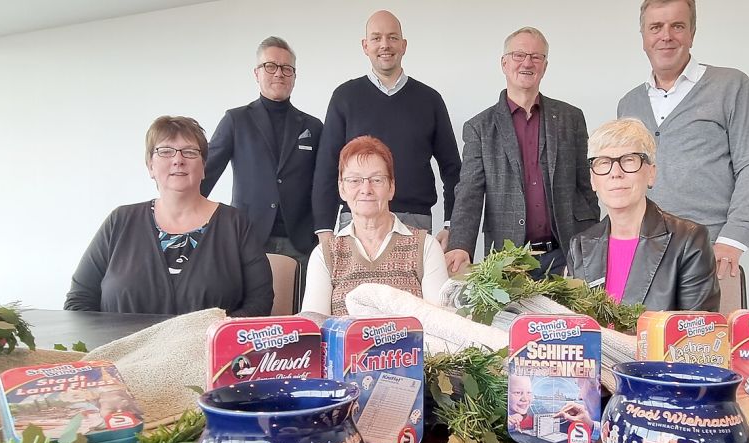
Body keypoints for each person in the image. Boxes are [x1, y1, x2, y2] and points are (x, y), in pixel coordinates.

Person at [617, 0, 749, 279]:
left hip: (708, 253)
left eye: (677, 26)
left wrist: (733, 239)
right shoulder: (629, 104)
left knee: (713, 325)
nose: (666, 36)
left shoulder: (731, 85)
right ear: (643, 37)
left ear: (691, 33)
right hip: (641, 255)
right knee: (638, 325)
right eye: (656, 27)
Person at [65, 116, 273, 316]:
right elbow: (79, 301)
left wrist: (213, 338)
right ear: (150, 166)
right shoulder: (119, 221)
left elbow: (260, 303)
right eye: (165, 151)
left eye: (190, 152)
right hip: (122, 352)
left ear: (203, 167)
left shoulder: (236, 224)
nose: (178, 160)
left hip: (207, 351)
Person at [446, 27, 599, 278]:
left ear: (545, 66)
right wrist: (460, 245)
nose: (527, 62)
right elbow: (469, 191)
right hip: (508, 260)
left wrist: (592, 241)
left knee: (571, 318)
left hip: (567, 255)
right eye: (519, 55)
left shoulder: (570, 118)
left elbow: (587, 185)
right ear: (504, 63)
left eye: (536, 57)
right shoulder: (479, 128)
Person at [312, 10, 461, 243]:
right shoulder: (344, 97)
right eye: (376, 38)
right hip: (356, 219)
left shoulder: (430, 100)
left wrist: (452, 224)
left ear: (403, 45)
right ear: (365, 46)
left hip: (415, 222)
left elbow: (453, 168)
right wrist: (323, 227)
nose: (385, 45)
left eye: (392, 38)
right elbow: (327, 166)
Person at [567, 118, 719, 311]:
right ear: (593, 180)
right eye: (603, 162)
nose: (615, 173)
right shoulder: (580, 246)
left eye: (629, 160)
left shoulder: (689, 241)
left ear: (651, 173)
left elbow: (694, 335)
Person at [201, 36, 323, 273]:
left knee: (297, 309)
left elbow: (325, 182)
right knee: (249, 309)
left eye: (287, 68)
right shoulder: (235, 120)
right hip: (249, 238)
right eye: (270, 66)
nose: (279, 73)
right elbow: (204, 175)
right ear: (257, 73)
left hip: (300, 242)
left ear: (294, 77)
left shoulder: (313, 126)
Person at [300, 136, 448, 315]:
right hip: (344, 344)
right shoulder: (325, 254)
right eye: (354, 180)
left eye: (377, 180)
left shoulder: (426, 247)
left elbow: (440, 323)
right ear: (341, 189)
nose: (366, 189)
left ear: (391, 187)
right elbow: (314, 327)